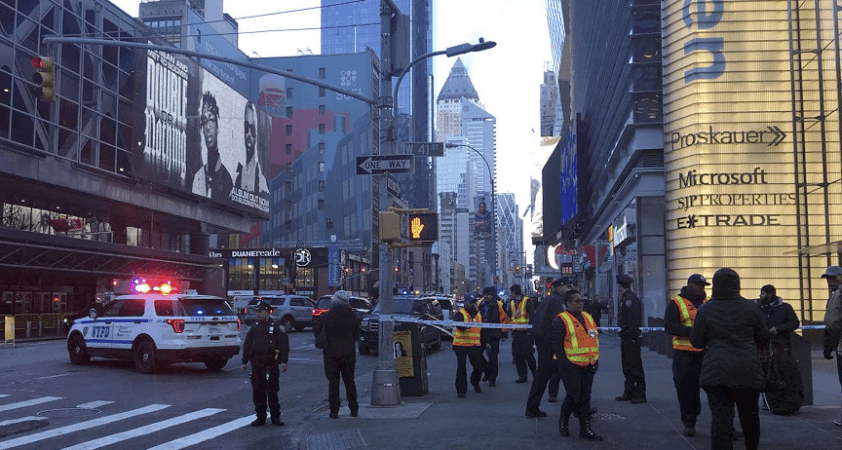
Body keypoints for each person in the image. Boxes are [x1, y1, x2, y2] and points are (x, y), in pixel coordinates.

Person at [690, 268, 768, 450]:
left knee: (721, 421)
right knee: (750, 417)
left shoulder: (706, 309)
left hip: (716, 372)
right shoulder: (751, 307)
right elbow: (763, 337)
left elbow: (696, 342)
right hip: (748, 369)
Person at [552, 289, 602, 441]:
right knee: (574, 396)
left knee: (585, 397)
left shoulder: (588, 317)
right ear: (568, 303)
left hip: (589, 363)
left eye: (582, 301)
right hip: (570, 365)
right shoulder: (561, 319)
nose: (581, 304)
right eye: (577, 301)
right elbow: (557, 345)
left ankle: (585, 429)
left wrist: (595, 360)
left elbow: (593, 337)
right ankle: (563, 421)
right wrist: (564, 363)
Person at [664, 273, 709, 437]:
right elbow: (669, 327)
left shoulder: (706, 303)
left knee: (716, 390)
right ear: (689, 285)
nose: (701, 289)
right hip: (684, 355)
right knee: (686, 391)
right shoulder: (676, 302)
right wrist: (693, 332)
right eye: (698, 285)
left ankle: (726, 425)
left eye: (703, 286)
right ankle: (689, 422)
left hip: (705, 353)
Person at [241, 300, 289, 426]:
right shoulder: (255, 327)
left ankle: (275, 417)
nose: (257, 314)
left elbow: (284, 344)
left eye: (260, 312)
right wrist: (244, 361)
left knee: (272, 391)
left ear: (267, 312)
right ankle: (260, 416)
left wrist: (284, 360)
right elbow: (247, 345)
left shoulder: (276, 326)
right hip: (257, 364)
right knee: (258, 391)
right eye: (257, 312)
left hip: (270, 364)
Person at [757, 284, 803, 414]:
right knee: (763, 372)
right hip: (763, 345)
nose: (760, 296)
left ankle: (780, 399)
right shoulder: (758, 307)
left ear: (770, 294)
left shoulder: (785, 308)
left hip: (780, 344)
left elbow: (794, 323)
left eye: (763, 293)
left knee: (780, 372)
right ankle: (766, 399)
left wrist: (779, 329)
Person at [525, 277, 568, 417]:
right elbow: (559, 323)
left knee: (544, 374)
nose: (567, 289)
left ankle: (533, 406)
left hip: (543, 341)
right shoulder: (557, 301)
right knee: (565, 373)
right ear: (559, 288)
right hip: (550, 342)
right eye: (566, 286)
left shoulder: (547, 300)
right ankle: (532, 407)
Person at [321, 290, 360, 419]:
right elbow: (356, 335)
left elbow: (320, 332)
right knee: (349, 381)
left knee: (333, 382)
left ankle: (334, 410)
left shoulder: (327, 316)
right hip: (348, 352)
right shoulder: (352, 316)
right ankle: (353, 408)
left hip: (331, 352)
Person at [193, 91, 233, 203]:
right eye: (204, 122)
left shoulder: (227, 179)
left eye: (211, 120)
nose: (208, 127)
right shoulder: (198, 177)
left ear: (218, 126)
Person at [616, 273, 647, 403]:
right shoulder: (626, 298)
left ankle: (640, 394)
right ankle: (629, 391)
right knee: (627, 366)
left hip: (631, 338)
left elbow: (634, 320)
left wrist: (634, 337)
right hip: (626, 337)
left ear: (620, 286)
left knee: (635, 366)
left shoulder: (630, 300)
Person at [453, 295, 485, 398]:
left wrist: (486, 342)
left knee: (479, 366)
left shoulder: (478, 315)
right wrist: (466, 325)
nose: (473, 304)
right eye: (470, 302)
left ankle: (475, 382)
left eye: (474, 302)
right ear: (465, 303)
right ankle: (461, 390)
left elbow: (483, 329)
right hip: (461, 345)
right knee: (461, 367)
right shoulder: (460, 313)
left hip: (474, 344)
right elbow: (458, 324)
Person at [822, 265, 842, 426]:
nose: (829, 281)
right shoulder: (835, 295)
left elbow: (833, 322)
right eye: (828, 278)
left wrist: (829, 344)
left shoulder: (838, 295)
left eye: (832, 277)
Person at [235, 102, 269, 195]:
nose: (249, 135)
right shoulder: (237, 178)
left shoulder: (263, 184)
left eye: (252, 129)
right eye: (246, 128)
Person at [478, 286, 509, 386]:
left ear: (493, 295)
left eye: (489, 294)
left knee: (493, 358)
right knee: (477, 355)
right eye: (485, 294)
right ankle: (487, 372)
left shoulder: (499, 305)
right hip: (481, 334)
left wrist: (504, 334)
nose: (487, 296)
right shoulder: (479, 305)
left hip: (494, 334)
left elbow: (504, 319)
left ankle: (492, 378)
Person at [507, 284, 537, 383]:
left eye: (510, 292)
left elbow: (532, 315)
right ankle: (522, 376)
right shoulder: (511, 303)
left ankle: (535, 373)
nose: (510, 294)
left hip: (526, 333)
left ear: (514, 292)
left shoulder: (526, 301)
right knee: (517, 355)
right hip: (516, 333)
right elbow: (509, 316)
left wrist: (531, 330)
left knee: (528, 355)